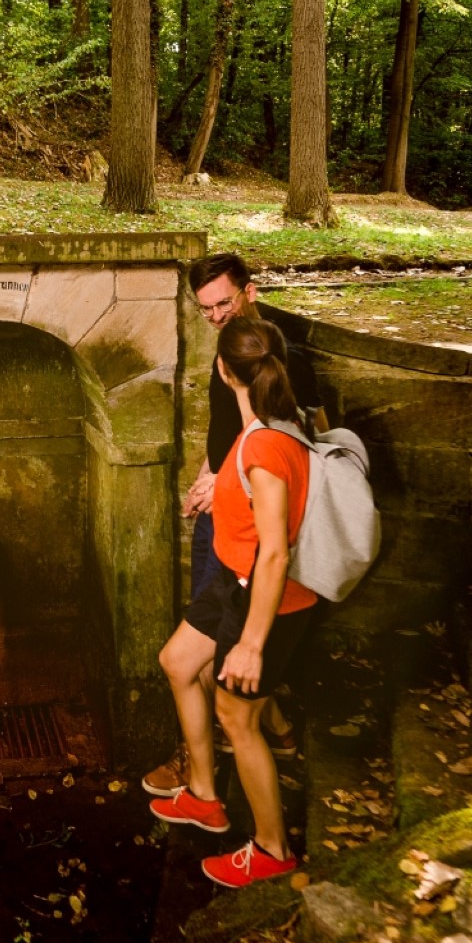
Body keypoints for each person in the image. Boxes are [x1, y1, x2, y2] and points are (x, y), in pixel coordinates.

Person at [150, 316, 316, 889]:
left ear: (224, 371)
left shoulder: (266, 447)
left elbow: (275, 554)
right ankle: (203, 794)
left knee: (237, 718)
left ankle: (272, 848)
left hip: (265, 599)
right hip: (231, 581)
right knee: (177, 662)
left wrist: (250, 643)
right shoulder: (261, 431)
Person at [142, 254, 296, 799]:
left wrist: (228, 476)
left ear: (250, 292)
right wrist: (209, 473)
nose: (213, 316)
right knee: (206, 635)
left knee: (199, 646)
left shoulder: (270, 347)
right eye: (204, 308)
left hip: (246, 526)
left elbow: (289, 430)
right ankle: (272, 732)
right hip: (222, 504)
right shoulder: (232, 342)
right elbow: (230, 424)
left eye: (223, 304)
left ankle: (200, 763)